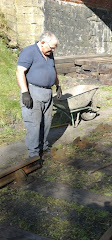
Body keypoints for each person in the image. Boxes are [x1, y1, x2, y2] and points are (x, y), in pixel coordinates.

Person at [16, 31, 62, 159]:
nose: (53, 50)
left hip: (47, 92)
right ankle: (34, 155)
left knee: (46, 123)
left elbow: (53, 69)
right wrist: (25, 93)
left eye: (54, 48)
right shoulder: (29, 52)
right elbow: (20, 72)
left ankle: (44, 148)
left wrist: (58, 85)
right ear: (42, 43)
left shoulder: (49, 53)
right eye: (52, 47)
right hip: (33, 92)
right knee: (33, 124)